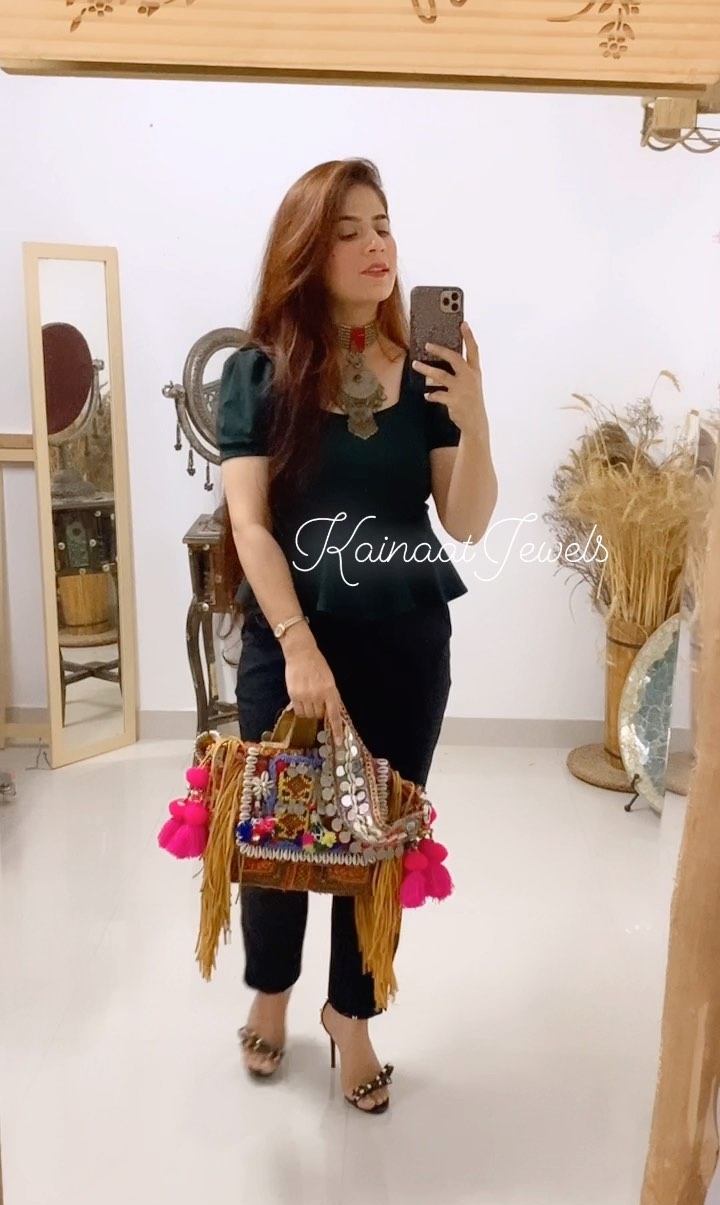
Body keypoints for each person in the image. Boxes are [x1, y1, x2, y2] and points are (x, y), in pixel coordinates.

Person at [218, 157, 497, 1113]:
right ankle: (271, 990)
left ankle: (352, 1014)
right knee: (276, 823)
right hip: (290, 640)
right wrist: (299, 647)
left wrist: (474, 415)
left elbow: (467, 521)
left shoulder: (427, 371)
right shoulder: (258, 373)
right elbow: (250, 524)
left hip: (406, 643)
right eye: (348, 231)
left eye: (383, 224)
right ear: (307, 251)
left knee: (378, 841)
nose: (377, 244)